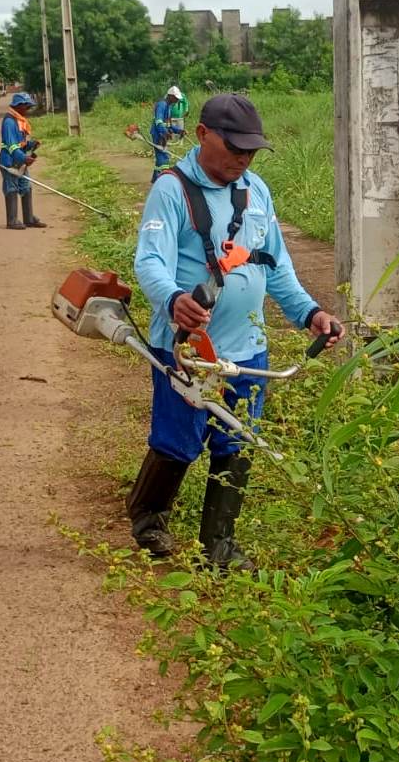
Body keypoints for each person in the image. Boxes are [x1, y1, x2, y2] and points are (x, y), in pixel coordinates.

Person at [130, 93, 342, 570]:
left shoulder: (256, 190)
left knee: (237, 443)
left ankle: (219, 547)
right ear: (203, 134)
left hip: (248, 348)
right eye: (234, 147)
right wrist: (172, 300)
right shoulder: (172, 189)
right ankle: (148, 518)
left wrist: (310, 313)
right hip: (188, 351)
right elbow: (149, 260)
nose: (242, 159)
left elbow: (277, 266)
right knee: (177, 441)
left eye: (250, 150)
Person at [0, 92, 47, 230]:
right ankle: (12, 221)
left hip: (20, 162)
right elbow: (12, 146)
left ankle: (29, 218)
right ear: (19, 106)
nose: (28, 110)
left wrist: (31, 145)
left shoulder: (19, 120)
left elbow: (20, 143)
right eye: (26, 107)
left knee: (26, 186)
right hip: (9, 161)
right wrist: (24, 158)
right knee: (12, 188)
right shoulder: (9, 122)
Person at [149, 86, 185, 182]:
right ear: (170, 96)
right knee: (163, 157)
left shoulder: (169, 106)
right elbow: (159, 121)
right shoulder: (162, 105)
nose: (177, 100)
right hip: (158, 134)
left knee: (161, 156)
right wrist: (164, 132)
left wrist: (179, 131)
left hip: (162, 133)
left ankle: (155, 179)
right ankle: (163, 180)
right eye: (176, 97)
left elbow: (168, 124)